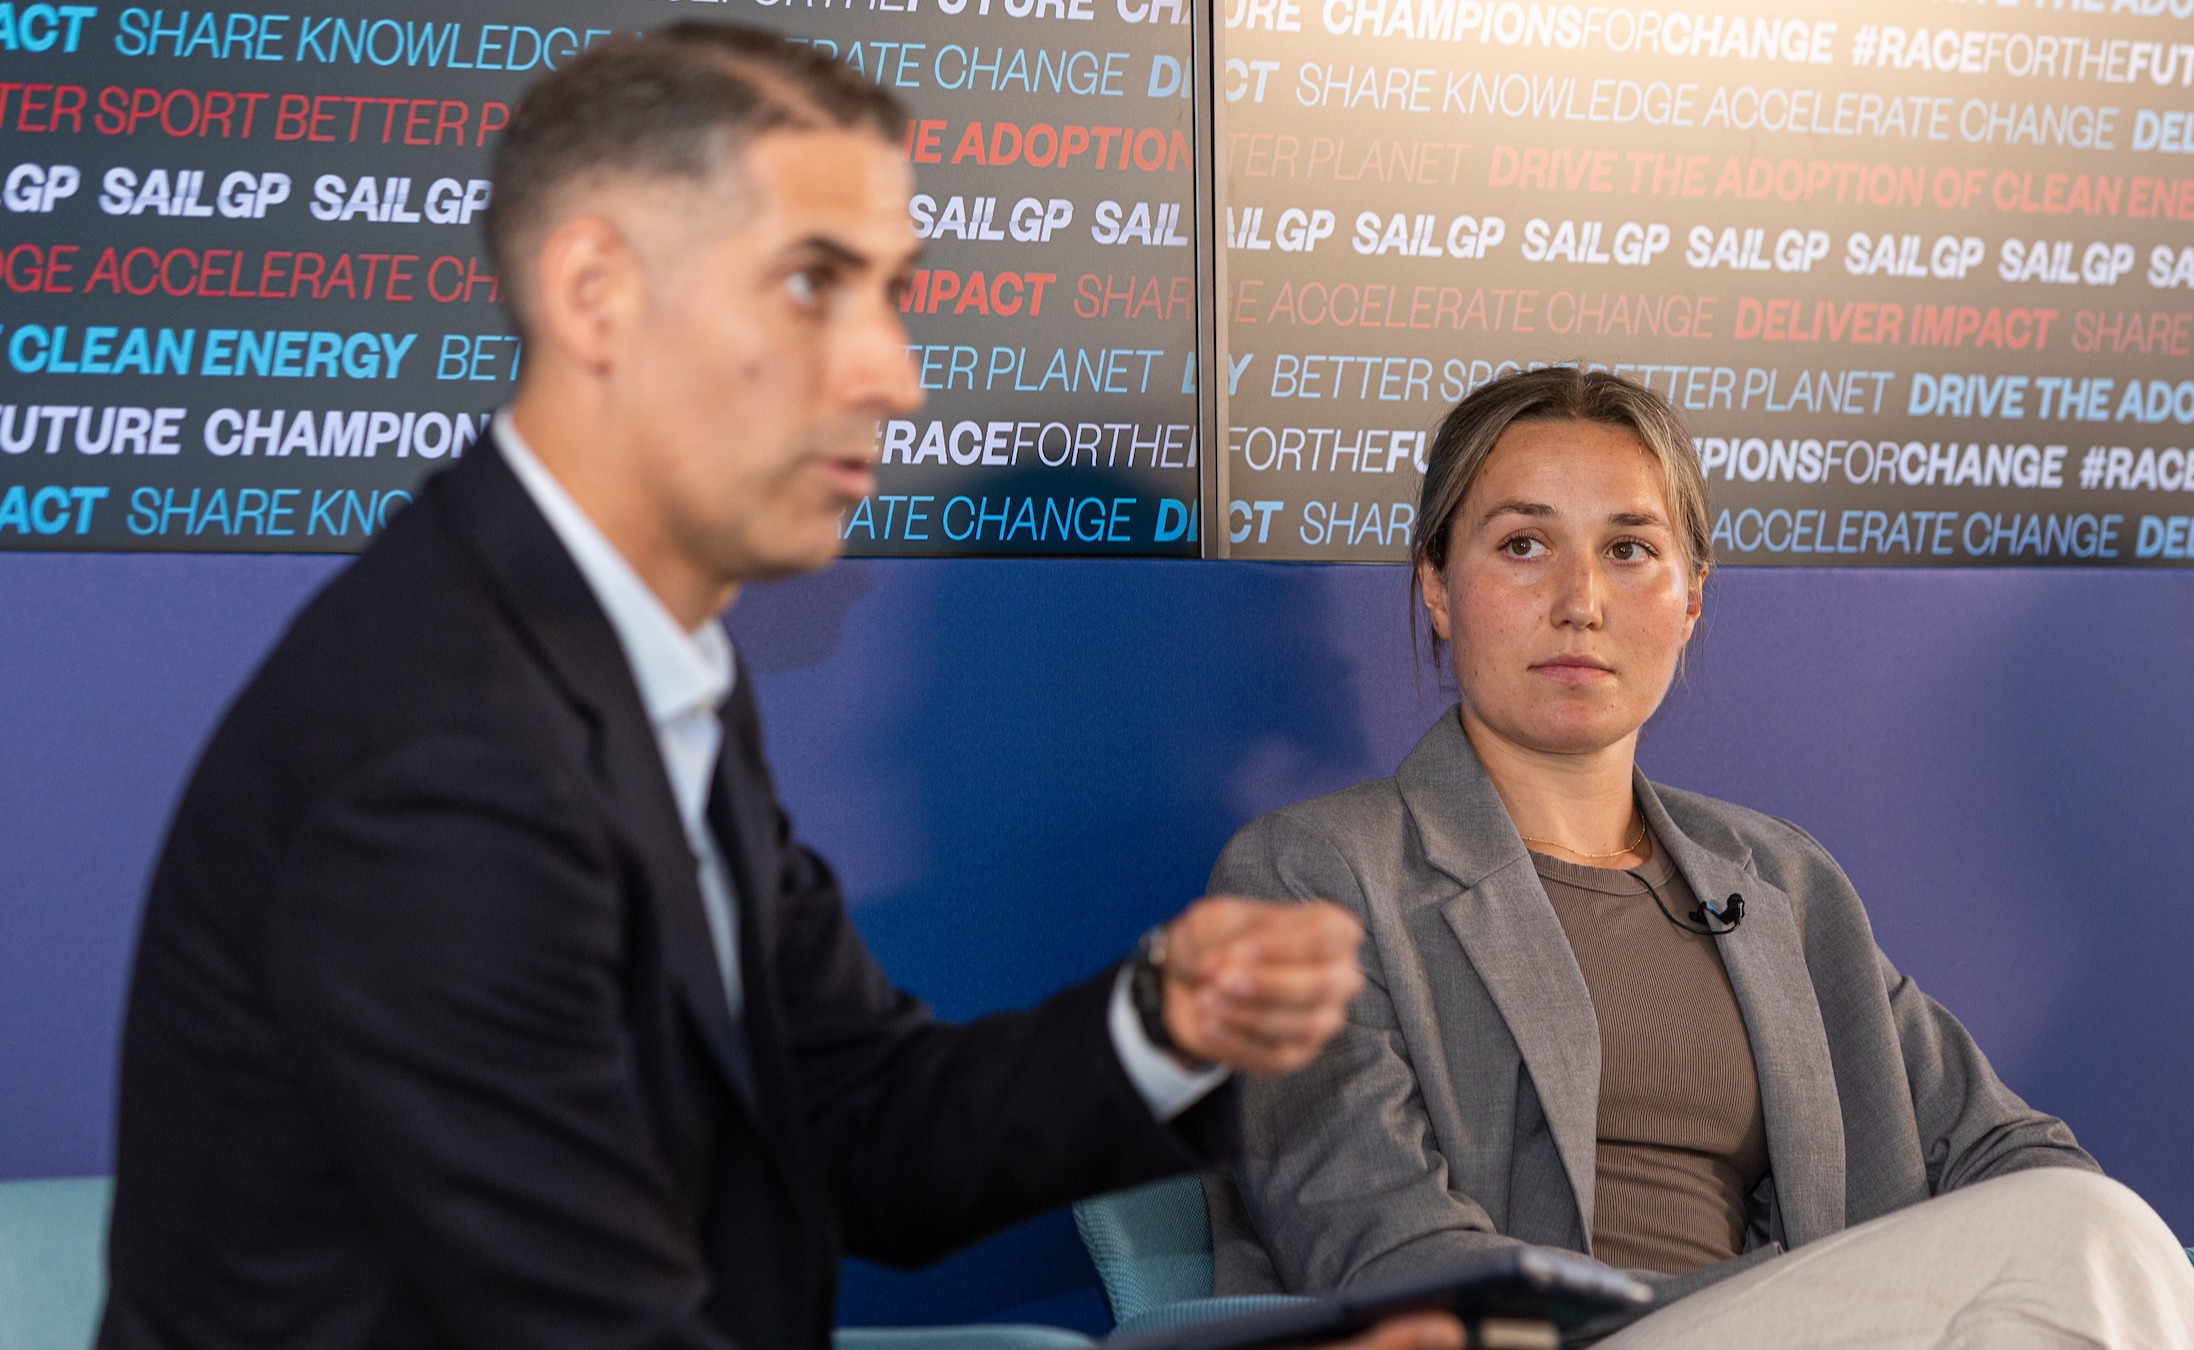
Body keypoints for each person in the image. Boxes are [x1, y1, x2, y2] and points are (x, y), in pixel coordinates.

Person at [99, 25, 1462, 1350]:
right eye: (815, 282)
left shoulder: (631, 670)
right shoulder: (444, 753)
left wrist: (1164, 1025)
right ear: (595, 295)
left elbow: (862, 1124)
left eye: (893, 294)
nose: (896, 379)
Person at [1204, 367, 2194, 1348]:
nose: (1580, 600)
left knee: (2080, 1226)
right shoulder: (1306, 878)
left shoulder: (1779, 882)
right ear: (1436, 588)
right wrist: (1790, 1291)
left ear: (1692, 597)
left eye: (1629, 549)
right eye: (1523, 545)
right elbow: (1391, 1262)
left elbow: (2019, 1160)